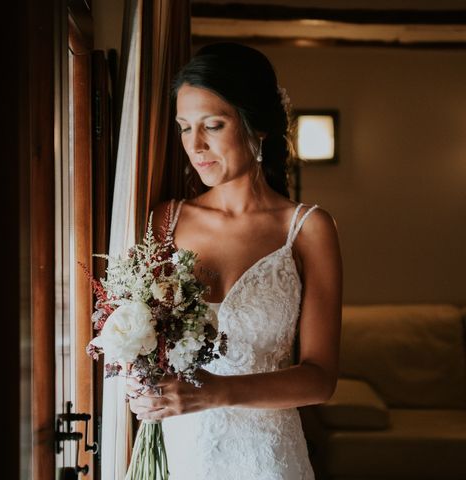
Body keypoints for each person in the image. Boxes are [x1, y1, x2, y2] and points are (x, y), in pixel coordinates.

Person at [126, 42, 343, 479]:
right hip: (182, 456)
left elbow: (320, 380)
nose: (196, 144)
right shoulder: (164, 221)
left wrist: (215, 392)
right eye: (185, 127)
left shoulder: (308, 229)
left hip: (268, 460)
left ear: (256, 126)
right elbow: (135, 341)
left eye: (213, 125)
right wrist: (137, 386)